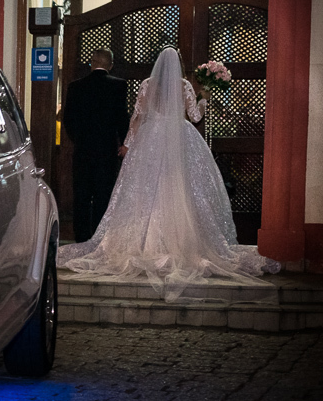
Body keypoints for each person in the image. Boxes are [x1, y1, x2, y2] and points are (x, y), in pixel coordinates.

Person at [57, 47, 279, 300]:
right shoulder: (184, 85)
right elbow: (195, 116)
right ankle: (179, 243)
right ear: (179, 65)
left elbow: (137, 118)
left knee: (147, 191)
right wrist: (204, 97)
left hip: (150, 139)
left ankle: (145, 244)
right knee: (179, 189)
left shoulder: (147, 84)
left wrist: (128, 145)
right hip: (178, 138)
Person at [62, 48, 131, 242]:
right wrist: (125, 142)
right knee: (103, 195)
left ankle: (81, 237)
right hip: (106, 151)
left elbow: (68, 120)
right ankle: (99, 239)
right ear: (111, 65)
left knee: (81, 196)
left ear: (91, 63)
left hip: (82, 150)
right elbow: (122, 119)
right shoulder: (118, 86)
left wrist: (79, 139)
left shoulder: (75, 87)